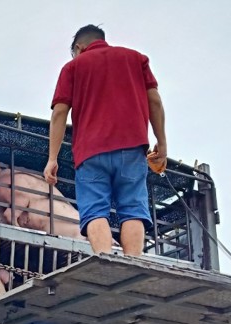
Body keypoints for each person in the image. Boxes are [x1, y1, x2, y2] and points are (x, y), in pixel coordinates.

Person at [43, 25, 167, 257]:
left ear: (79, 47)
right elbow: (155, 102)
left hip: (90, 153)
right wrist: (162, 142)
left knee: (94, 210)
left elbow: (59, 113)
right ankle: (133, 261)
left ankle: (105, 259)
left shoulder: (72, 68)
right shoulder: (136, 59)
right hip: (132, 148)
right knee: (132, 208)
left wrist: (52, 158)